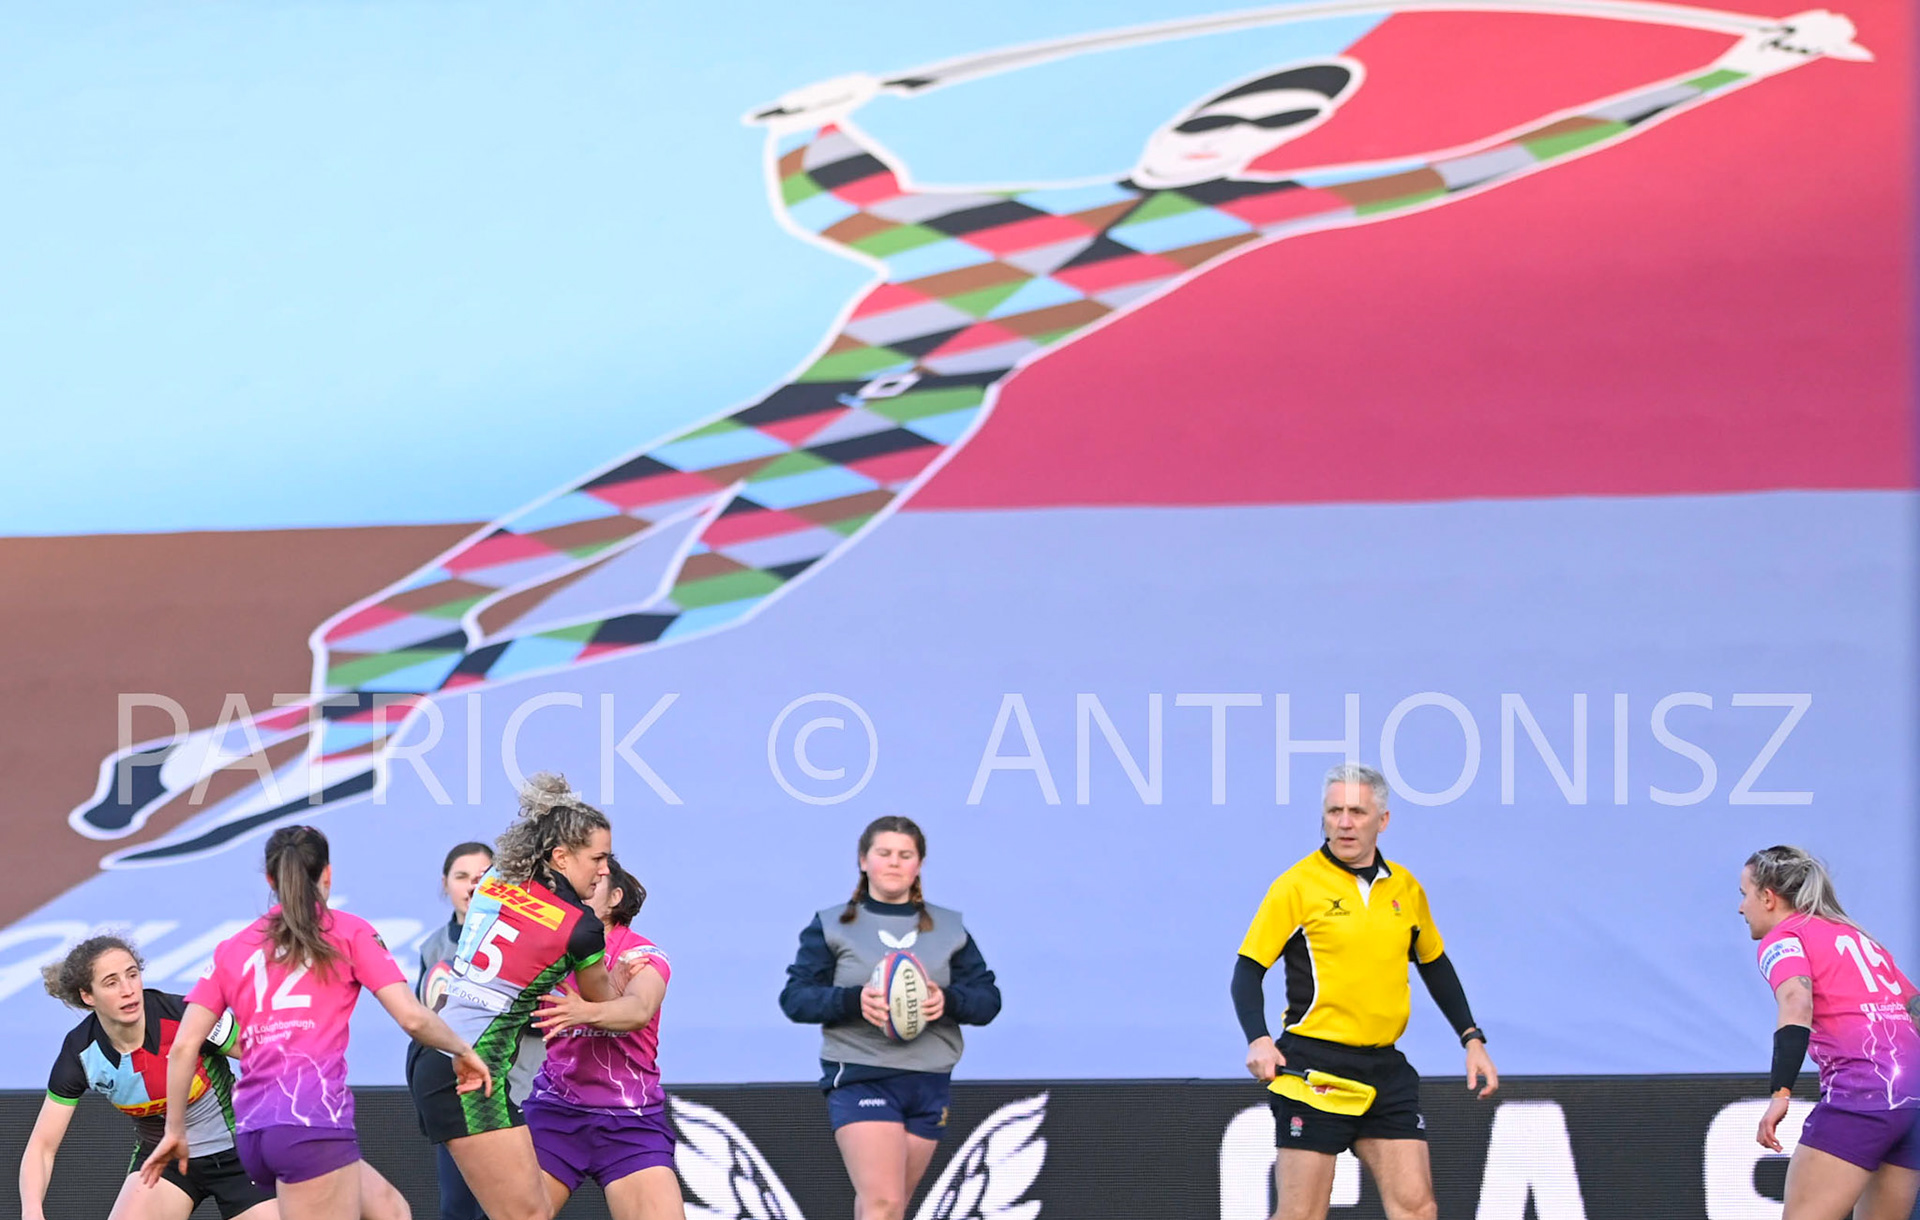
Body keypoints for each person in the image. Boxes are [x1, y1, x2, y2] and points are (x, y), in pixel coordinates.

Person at [68, 10, 1874, 865]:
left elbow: (1469, 167)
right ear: (1193, 113)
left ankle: (298, 754)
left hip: (881, 449)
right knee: (446, 601)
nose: (1256, 127)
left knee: (627, 624)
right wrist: (813, 114)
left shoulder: (1222, 223)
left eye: (1282, 113)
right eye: (1248, 101)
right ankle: (278, 742)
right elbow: (835, 189)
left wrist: (1722, 73)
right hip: (777, 419)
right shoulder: (989, 216)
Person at [141, 825, 516, 1220]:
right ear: (328, 876)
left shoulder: (235, 947)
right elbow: (414, 1019)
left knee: (391, 1215)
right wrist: (463, 1051)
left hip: (258, 1129)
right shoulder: (347, 932)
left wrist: (175, 1130)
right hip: (311, 1123)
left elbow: (185, 1045)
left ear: (269, 880)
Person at [1152, 763, 1497, 1220]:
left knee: (1419, 1214)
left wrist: (1471, 1039)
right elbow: (1246, 972)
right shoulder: (1297, 886)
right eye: (1335, 811)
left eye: (1357, 812)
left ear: (1382, 821)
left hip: (1386, 1069)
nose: (1344, 822)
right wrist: (1257, 1038)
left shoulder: (1406, 891)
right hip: (1313, 1069)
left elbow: (1437, 967)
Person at [359, 772, 613, 1220]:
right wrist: (636, 979)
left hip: (436, 1056)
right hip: (473, 1070)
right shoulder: (581, 926)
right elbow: (603, 1005)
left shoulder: (497, 882)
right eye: (597, 859)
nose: (602, 872)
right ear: (560, 856)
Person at [416, 857, 695, 1220]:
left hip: (630, 1126)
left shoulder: (645, 955)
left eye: (596, 878)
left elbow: (637, 1010)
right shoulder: (553, 944)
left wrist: (585, 1011)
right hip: (557, 1116)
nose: (580, 884)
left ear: (614, 898)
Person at [18, 935, 341, 1220]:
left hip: (240, 1160)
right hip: (164, 1165)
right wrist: (31, 1213)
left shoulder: (186, 1015)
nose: (128, 989)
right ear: (87, 997)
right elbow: (41, 1147)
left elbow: (268, 1054)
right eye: (111, 982)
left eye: (132, 974)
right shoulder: (81, 1052)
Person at [779, 815, 1001, 1220]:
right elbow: (796, 998)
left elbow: (989, 1000)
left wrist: (944, 1001)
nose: (894, 862)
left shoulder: (948, 928)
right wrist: (857, 1001)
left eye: (905, 854)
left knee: (880, 1210)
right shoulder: (832, 925)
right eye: (884, 852)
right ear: (863, 860)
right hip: (861, 1074)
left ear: (919, 864)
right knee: (882, 1203)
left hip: (928, 1080)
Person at [1740, 844, 1919, 1220]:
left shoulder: (1783, 938)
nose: (1740, 909)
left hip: (1864, 1092)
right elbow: (1914, 1007)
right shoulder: (1856, 936)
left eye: (1744, 895)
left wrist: (1781, 1092)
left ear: (1770, 896)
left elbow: (1796, 1001)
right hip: (1911, 1094)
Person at [413, 839, 569, 1220]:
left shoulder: (535, 933)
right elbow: (428, 1016)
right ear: (446, 885)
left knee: (524, 1215)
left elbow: (547, 1007)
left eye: (484, 874)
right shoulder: (436, 947)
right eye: (462, 875)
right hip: (458, 1088)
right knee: (465, 1217)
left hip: (520, 1088)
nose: (474, 884)